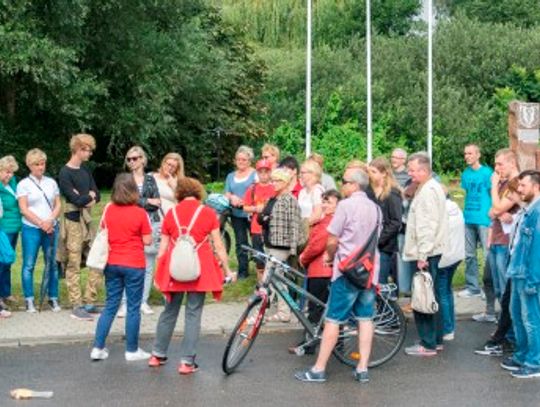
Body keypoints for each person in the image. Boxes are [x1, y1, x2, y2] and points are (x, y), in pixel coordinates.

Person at [295, 168, 380, 383]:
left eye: (344, 181)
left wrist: (329, 257)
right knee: (365, 319)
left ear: (354, 184)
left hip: (347, 270)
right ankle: (362, 368)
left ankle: (318, 369)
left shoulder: (345, 206)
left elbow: (332, 239)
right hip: (369, 271)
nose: (342, 185)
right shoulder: (375, 208)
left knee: (333, 319)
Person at [150, 177, 236, 374]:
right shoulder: (207, 213)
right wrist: (227, 270)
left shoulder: (171, 213)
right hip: (199, 269)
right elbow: (219, 245)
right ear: (197, 192)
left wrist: (158, 275)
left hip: (174, 269)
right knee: (193, 313)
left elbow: (162, 249)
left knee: (169, 311)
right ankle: (187, 362)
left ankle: (157, 354)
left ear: (178, 193)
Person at [90, 173, 153, 362]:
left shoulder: (109, 210)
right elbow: (148, 240)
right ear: (134, 190)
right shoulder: (140, 212)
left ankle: (98, 347)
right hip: (134, 263)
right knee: (133, 308)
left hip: (112, 263)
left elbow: (103, 231)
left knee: (110, 305)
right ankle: (132, 350)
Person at [403, 152, 448, 357]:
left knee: (423, 297)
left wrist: (422, 254)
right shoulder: (432, 187)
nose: (409, 173)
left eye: (412, 170)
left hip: (426, 252)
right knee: (433, 295)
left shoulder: (428, 191)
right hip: (432, 251)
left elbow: (427, 225)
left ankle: (427, 343)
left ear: (423, 170)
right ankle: (435, 339)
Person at [290, 189, 341, 355]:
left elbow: (317, 245)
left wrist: (303, 257)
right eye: (324, 201)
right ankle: (334, 342)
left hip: (320, 270)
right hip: (326, 270)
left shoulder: (329, 222)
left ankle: (309, 343)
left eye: (329, 202)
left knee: (315, 309)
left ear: (338, 205)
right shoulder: (329, 220)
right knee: (327, 309)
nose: (325, 205)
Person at [475, 178, 522, 357]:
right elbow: (492, 211)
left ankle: (509, 341)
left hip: (513, 256)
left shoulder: (531, 211)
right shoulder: (524, 212)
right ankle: (503, 338)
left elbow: (497, 208)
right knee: (505, 296)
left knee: (510, 299)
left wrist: (494, 186)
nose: (509, 196)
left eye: (512, 193)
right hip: (506, 250)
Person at [58, 134, 102, 321]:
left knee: (95, 261)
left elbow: (97, 195)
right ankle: (76, 305)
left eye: (90, 149)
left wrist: (86, 197)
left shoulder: (85, 171)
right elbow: (75, 200)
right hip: (73, 223)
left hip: (87, 222)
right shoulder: (65, 172)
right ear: (77, 149)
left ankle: (89, 301)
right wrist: (86, 197)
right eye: (87, 149)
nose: (89, 153)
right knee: (73, 263)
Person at [500, 170, 540, 378]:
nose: (520, 189)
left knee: (531, 319)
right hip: (518, 272)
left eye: (524, 185)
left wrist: (533, 280)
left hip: (529, 274)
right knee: (517, 315)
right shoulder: (528, 210)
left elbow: (536, 250)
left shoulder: (537, 212)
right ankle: (523, 354)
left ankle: (535, 362)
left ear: (536, 186)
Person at [117, 146, 161, 317]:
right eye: (129, 159)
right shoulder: (124, 179)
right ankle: (125, 303)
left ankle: (143, 301)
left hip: (151, 223)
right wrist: (145, 201)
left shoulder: (150, 180)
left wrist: (140, 201)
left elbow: (156, 202)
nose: (132, 162)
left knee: (148, 264)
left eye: (135, 158)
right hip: (129, 224)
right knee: (127, 264)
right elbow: (124, 200)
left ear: (143, 159)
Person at [17, 149, 62, 313]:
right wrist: (40, 222)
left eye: (42, 163)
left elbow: (58, 204)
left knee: (52, 264)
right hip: (32, 228)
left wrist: (50, 221)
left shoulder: (51, 182)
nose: (40, 167)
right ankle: (29, 300)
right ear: (29, 165)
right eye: (37, 164)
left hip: (51, 227)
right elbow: (23, 208)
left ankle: (53, 297)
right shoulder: (23, 184)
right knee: (29, 264)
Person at [259, 168, 304, 322]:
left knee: (267, 278)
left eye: (278, 180)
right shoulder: (275, 198)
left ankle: (260, 313)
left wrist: (292, 250)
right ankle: (284, 312)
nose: (274, 183)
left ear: (285, 182)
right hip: (271, 242)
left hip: (282, 245)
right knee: (276, 281)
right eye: (273, 180)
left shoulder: (289, 200)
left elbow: (295, 225)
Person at [459, 144, 492, 299]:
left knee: (487, 255)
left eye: (470, 153)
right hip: (468, 218)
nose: (467, 156)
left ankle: (488, 289)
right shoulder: (465, 174)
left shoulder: (487, 173)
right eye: (465, 154)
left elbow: (493, 194)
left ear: (478, 155)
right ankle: (473, 288)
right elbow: (467, 193)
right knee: (469, 254)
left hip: (483, 219)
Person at [366, 157, 402, 285]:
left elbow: (396, 222)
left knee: (380, 283)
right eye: (369, 171)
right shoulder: (367, 191)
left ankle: (386, 305)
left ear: (384, 173)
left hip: (384, 246)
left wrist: (379, 239)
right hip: (367, 245)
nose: (370, 175)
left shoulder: (392, 194)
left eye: (374, 172)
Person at [437, 187, 465, 341]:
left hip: (444, 257)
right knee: (447, 291)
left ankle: (447, 328)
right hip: (456, 255)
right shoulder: (456, 208)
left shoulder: (440, 211)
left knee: (442, 292)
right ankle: (450, 325)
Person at [224, 146, 256, 279]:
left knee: (257, 241)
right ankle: (243, 271)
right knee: (240, 242)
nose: (241, 162)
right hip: (236, 214)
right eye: (238, 159)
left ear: (249, 161)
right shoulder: (231, 176)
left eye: (244, 159)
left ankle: (261, 268)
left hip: (252, 214)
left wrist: (246, 201)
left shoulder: (255, 174)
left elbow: (260, 190)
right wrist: (232, 197)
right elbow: (226, 192)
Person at [242, 159, 275, 282]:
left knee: (271, 257)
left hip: (270, 228)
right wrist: (256, 208)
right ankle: (261, 284)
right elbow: (245, 207)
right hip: (256, 227)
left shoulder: (274, 188)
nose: (264, 174)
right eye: (261, 172)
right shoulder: (252, 189)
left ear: (270, 172)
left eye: (266, 172)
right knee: (259, 257)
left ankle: (271, 282)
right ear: (257, 173)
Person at [0, 155, 22, 313]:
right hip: (3, 229)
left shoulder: (13, 183)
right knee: (1, 263)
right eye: (6, 172)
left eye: (12, 172)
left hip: (15, 227)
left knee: (8, 262)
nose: (9, 175)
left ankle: (6, 293)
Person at [153, 152, 184, 217]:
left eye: (173, 167)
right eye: (168, 164)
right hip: (152, 217)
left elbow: (182, 203)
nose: (169, 168)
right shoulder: (151, 177)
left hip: (170, 217)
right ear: (163, 163)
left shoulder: (179, 182)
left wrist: (174, 187)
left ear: (177, 170)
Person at [298, 159, 325, 226]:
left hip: (313, 229)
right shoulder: (302, 191)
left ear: (312, 173)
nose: (300, 175)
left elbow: (317, 215)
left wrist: (302, 226)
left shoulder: (317, 191)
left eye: (303, 173)